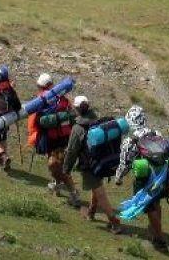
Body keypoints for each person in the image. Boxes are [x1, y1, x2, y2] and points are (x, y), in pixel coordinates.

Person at [62, 95, 124, 234]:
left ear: (77, 109)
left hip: (89, 165)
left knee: (99, 192)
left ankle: (114, 221)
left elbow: (72, 151)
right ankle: (91, 212)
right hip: (102, 161)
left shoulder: (77, 128)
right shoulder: (97, 121)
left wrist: (66, 169)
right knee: (96, 188)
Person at [115, 106, 169, 249]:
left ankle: (160, 239)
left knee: (148, 207)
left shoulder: (130, 140)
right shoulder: (157, 133)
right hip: (162, 175)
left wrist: (118, 177)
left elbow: (125, 162)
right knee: (156, 202)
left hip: (146, 178)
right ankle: (155, 232)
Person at [27, 73, 78, 207]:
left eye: (40, 87)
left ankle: (73, 192)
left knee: (55, 165)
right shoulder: (62, 99)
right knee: (56, 165)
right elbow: (72, 115)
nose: (40, 89)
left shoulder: (41, 100)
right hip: (55, 137)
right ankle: (56, 184)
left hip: (60, 139)